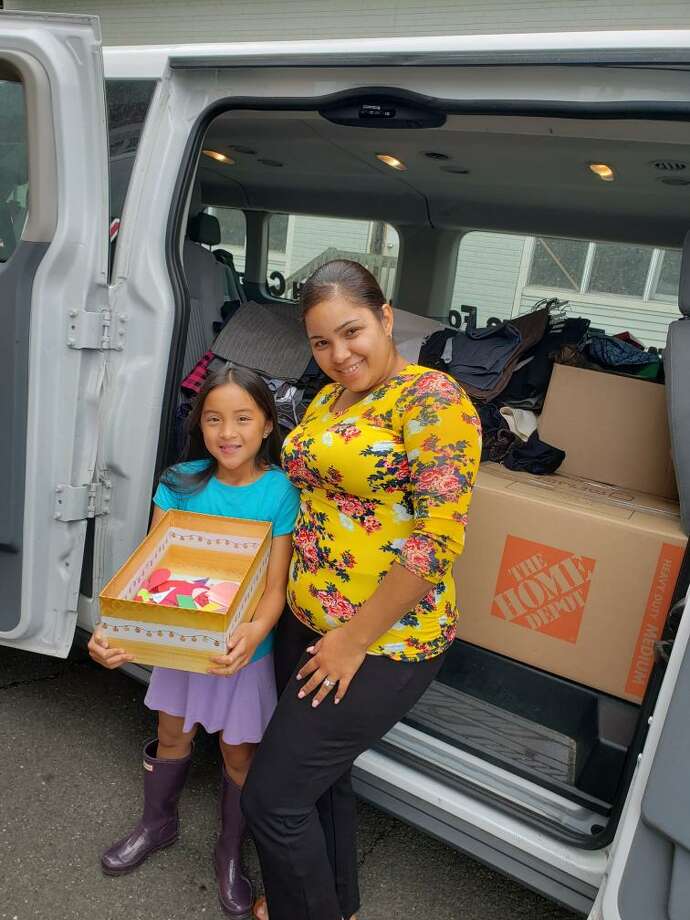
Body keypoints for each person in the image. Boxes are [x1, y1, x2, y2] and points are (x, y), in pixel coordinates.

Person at [243, 260, 482, 920]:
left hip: (381, 641)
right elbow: (307, 497)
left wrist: (352, 639)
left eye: (352, 333)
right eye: (321, 343)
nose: (338, 355)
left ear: (385, 317)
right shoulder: (327, 399)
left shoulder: (433, 401)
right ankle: (337, 903)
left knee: (272, 799)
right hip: (309, 622)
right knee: (321, 783)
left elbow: (435, 545)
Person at [88, 366, 300, 920]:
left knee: (238, 751)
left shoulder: (279, 492)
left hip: (240, 653)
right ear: (200, 426)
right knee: (171, 732)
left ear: (267, 424)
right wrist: (117, 631)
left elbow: (275, 590)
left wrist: (254, 633)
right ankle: (156, 824)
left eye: (242, 418)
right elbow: (148, 575)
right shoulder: (179, 482)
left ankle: (229, 854)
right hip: (181, 643)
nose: (227, 432)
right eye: (213, 419)